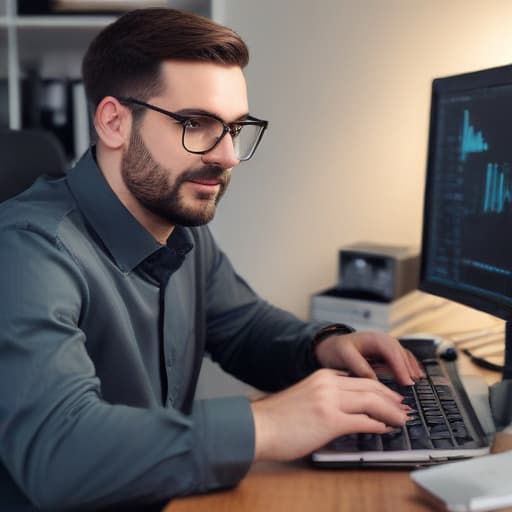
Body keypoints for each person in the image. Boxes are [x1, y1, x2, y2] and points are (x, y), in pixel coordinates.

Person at [0, 8, 422, 511]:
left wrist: (323, 346)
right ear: (113, 122)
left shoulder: (180, 227)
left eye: (235, 128)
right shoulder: (27, 250)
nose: (226, 156)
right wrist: (267, 424)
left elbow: (243, 326)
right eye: (196, 124)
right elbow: (61, 452)